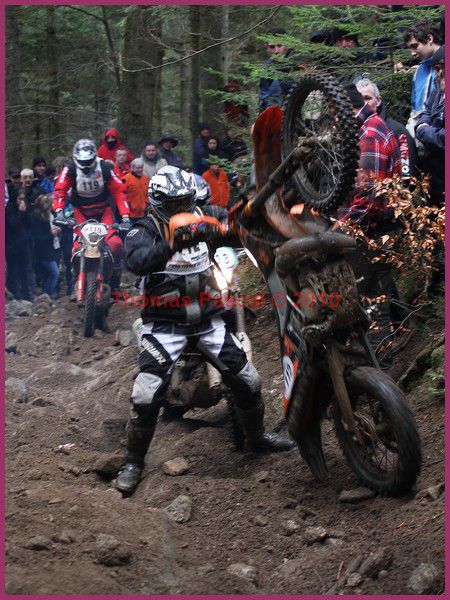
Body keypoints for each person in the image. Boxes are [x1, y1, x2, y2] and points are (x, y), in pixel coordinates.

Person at [116, 165, 293, 494]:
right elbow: (135, 262)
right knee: (145, 392)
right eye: (173, 204)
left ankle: (256, 438)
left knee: (249, 380)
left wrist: (250, 210)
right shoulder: (144, 228)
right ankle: (133, 462)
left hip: (207, 319)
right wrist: (171, 243)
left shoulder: (204, 212)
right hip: (164, 323)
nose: (181, 209)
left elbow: (235, 224)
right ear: (157, 203)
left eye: (184, 201)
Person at [340, 84, 402, 370]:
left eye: (334, 111)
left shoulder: (370, 132)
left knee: (373, 303)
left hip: (370, 229)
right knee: (367, 302)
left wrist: (340, 230)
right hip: (366, 228)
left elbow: (366, 194)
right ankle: (374, 370)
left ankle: (383, 376)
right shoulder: (362, 129)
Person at [52, 139, 131, 292]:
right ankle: (77, 282)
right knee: (76, 249)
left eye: (89, 161)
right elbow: (60, 190)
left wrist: (126, 217)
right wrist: (59, 212)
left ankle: (114, 282)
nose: (86, 164)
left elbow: (119, 191)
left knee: (115, 244)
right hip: (81, 212)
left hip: (103, 212)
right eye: (83, 161)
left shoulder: (104, 167)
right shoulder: (70, 168)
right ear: (76, 158)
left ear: (94, 157)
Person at [354, 77, 418, 178]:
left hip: (389, 190)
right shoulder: (354, 129)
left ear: (378, 101)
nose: (364, 104)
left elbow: (408, 174)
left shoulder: (397, 131)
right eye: (360, 100)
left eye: (368, 98)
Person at [415, 45, 445, 206]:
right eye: (436, 68)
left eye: (443, 68)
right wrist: (426, 129)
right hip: (433, 173)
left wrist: (426, 131)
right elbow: (423, 117)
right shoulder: (437, 93)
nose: (438, 73)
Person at [404, 20, 442, 138]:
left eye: (415, 46)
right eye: (410, 48)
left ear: (429, 39)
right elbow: (415, 106)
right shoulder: (419, 70)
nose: (412, 53)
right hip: (420, 128)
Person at [259, 29, 297, 112]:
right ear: (267, 48)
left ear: (288, 45)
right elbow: (264, 95)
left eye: (279, 46)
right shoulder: (267, 68)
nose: (276, 51)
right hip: (278, 111)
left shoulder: (298, 59)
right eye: (272, 47)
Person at [30, 194, 61, 299]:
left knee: (50, 274)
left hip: (54, 247)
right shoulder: (37, 218)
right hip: (43, 252)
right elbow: (37, 238)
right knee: (54, 273)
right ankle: (47, 295)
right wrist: (51, 234)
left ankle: (47, 294)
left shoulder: (51, 215)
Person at [5, 189, 32, 301]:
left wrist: (25, 212)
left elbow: (29, 224)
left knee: (24, 270)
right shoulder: (8, 209)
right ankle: (14, 294)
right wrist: (20, 212)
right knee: (13, 271)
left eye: (23, 199)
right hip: (11, 246)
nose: (21, 201)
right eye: (19, 199)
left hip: (23, 244)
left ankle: (26, 294)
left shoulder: (25, 208)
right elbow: (13, 224)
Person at [122, 158, 150, 223]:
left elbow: (147, 193)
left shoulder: (145, 178)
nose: (140, 170)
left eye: (141, 168)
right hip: (130, 214)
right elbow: (122, 196)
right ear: (132, 168)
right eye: (137, 168)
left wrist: (147, 204)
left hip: (143, 213)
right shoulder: (126, 179)